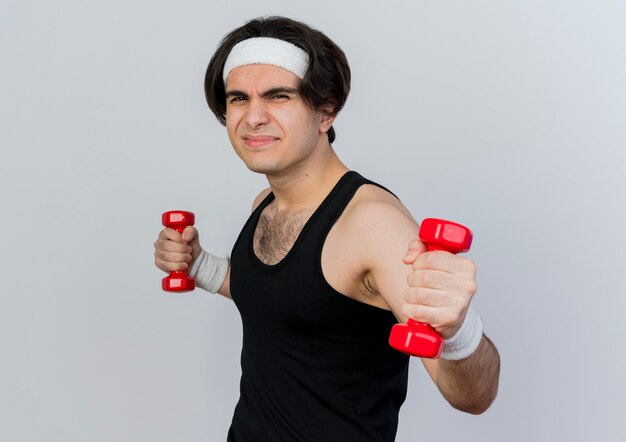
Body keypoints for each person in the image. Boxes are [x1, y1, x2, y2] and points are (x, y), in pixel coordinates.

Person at [154, 16, 500, 441]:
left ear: (326, 109)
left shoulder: (371, 225)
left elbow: (474, 395)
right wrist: (200, 266)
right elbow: (287, 295)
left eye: (278, 96)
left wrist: (459, 329)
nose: (253, 117)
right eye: (239, 98)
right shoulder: (265, 204)